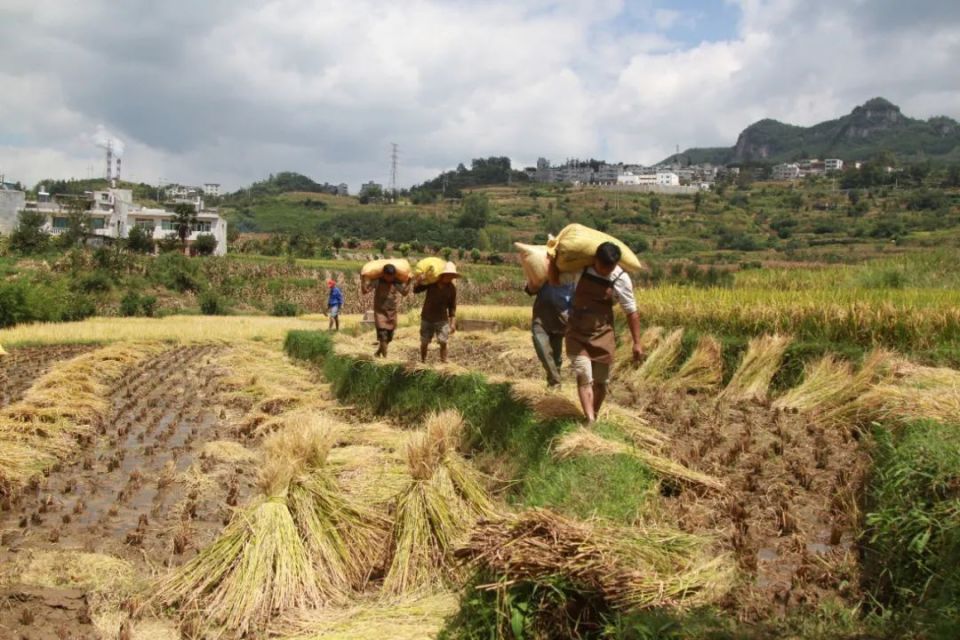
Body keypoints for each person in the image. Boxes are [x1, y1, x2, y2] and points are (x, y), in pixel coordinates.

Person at [565, 242, 644, 424]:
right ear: (595, 260)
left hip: (603, 334)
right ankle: (590, 420)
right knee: (584, 374)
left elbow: (631, 312)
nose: (607, 270)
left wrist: (637, 342)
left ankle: (592, 416)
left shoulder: (621, 279)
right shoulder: (580, 269)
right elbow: (554, 280)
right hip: (577, 331)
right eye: (603, 266)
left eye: (611, 267)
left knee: (601, 383)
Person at [525, 260, 575, 387]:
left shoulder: (574, 275)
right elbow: (530, 290)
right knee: (542, 347)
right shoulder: (543, 271)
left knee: (556, 358)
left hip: (561, 321)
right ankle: (555, 379)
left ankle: (553, 388)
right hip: (541, 319)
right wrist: (534, 283)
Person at [413, 262, 459, 363]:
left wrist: (452, 323)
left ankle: (444, 362)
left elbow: (452, 307)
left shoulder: (452, 289)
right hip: (427, 317)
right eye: (449, 274)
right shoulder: (431, 283)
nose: (450, 277)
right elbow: (416, 290)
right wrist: (419, 281)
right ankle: (423, 361)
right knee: (424, 342)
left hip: (442, 319)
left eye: (452, 275)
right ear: (443, 274)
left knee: (443, 341)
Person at [361, 263, 410, 358]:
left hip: (392, 313)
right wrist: (362, 280)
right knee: (383, 337)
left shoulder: (395, 283)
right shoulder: (377, 281)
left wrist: (409, 282)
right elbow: (365, 291)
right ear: (383, 274)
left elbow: (404, 293)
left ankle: (378, 353)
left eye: (391, 276)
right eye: (388, 276)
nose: (390, 278)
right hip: (380, 313)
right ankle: (385, 359)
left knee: (389, 339)